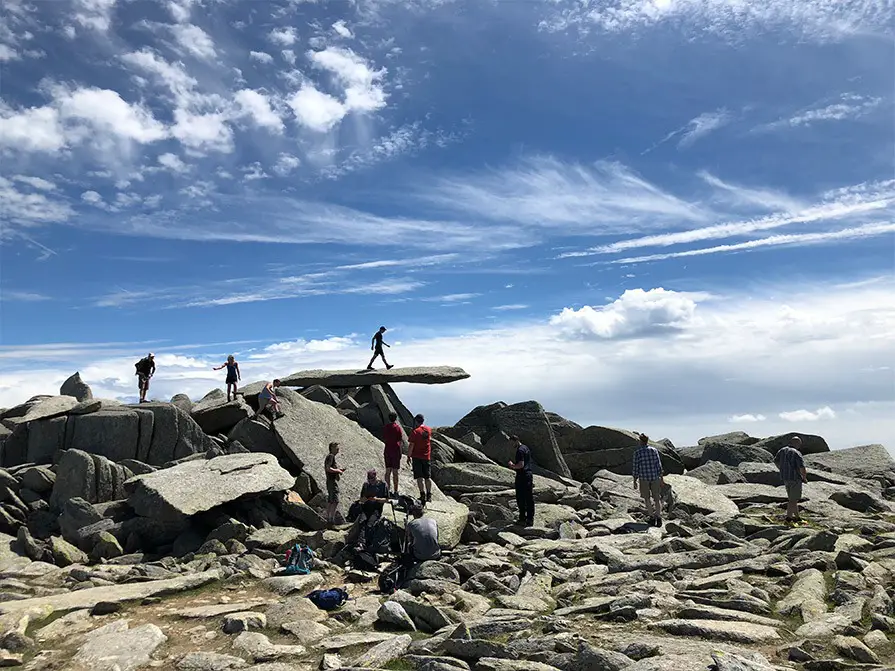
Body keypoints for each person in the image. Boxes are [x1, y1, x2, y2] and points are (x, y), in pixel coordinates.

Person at [632, 433, 664, 527]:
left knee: (647, 499)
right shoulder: (654, 450)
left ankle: (651, 517)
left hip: (644, 478)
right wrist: (661, 479)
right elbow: (659, 465)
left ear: (641, 441)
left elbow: (635, 468)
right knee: (657, 499)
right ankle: (658, 517)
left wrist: (634, 480)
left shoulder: (637, 453)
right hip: (654, 477)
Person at [774, 435, 808, 523]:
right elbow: (802, 467)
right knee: (793, 499)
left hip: (785, 477)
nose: (799, 445)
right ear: (796, 443)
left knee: (792, 498)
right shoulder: (796, 452)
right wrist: (804, 477)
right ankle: (789, 518)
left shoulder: (782, 450)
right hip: (795, 478)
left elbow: (776, 461)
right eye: (799, 443)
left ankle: (797, 517)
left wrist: (781, 469)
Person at [507, 435, 534, 527]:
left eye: (512, 443)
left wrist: (512, 465)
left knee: (521, 498)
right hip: (528, 475)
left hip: (522, 476)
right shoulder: (526, 448)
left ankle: (522, 518)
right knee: (529, 498)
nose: (511, 445)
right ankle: (530, 519)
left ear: (516, 441)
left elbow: (521, 465)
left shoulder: (520, 451)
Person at [407, 414, 432, 504]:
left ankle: (422, 495)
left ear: (416, 421)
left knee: (419, 477)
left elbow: (411, 445)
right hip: (427, 456)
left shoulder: (415, 432)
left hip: (417, 456)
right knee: (427, 477)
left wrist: (408, 456)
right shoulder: (428, 430)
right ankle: (429, 495)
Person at [383, 412, 406, 494]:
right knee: (395, 472)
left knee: (388, 471)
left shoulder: (386, 427)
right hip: (395, 450)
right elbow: (400, 441)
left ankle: (387, 490)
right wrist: (400, 452)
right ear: (396, 418)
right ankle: (396, 491)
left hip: (387, 450)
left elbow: (385, 438)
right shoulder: (398, 428)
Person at [324, 442, 345, 526]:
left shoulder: (331, 457)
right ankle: (331, 519)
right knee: (335, 500)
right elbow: (328, 468)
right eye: (336, 447)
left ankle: (329, 518)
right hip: (332, 481)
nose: (338, 449)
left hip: (330, 481)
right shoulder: (331, 456)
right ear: (332, 448)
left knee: (331, 499)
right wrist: (338, 471)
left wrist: (339, 469)